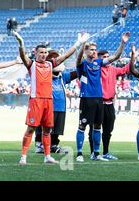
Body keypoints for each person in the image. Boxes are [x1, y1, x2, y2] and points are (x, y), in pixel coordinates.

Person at [13, 31, 88, 165]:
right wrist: (21, 43)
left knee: (47, 130)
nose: (43, 54)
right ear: (35, 53)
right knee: (31, 128)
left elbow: (65, 56)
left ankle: (47, 156)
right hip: (36, 100)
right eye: (40, 52)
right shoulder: (32, 65)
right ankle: (23, 156)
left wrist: (79, 43)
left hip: (49, 101)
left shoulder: (50, 64)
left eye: (45, 52)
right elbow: (23, 56)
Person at [75, 32, 130, 162]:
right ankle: (79, 153)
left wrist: (123, 43)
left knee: (98, 126)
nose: (94, 52)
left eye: (95, 50)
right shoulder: (82, 64)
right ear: (86, 51)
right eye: (92, 50)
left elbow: (115, 57)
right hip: (86, 98)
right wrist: (83, 43)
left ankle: (96, 153)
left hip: (98, 99)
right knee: (82, 126)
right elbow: (78, 59)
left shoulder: (98, 63)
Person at [87, 49, 130, 160]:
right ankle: (94, 152)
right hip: (98, 102)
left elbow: (125, 70)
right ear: (99, 58)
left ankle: (106, 152)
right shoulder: (96, 69)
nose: (107, 58)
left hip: (110, 103)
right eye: (104, 56)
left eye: (107, 56)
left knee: (108, 130)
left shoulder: (113, 69)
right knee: (94, 128)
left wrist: (133, 57)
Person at [35, 50, 78, 154]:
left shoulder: (62, 77)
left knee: (57, 129)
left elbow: (75, 74)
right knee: (45, 127)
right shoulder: (44, 75)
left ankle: (54, 145)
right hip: (48, 106)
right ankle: (40, 145)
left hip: (60, 107)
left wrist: (83, 66)